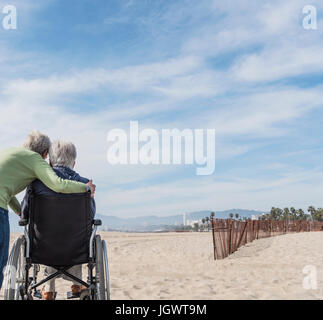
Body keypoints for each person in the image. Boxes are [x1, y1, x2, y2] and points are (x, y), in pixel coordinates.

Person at [0, 131, 96, 290]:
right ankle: (77, 284)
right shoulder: (36, 160)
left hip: (42, 249)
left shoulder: (10, 155)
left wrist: (20, 212)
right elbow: (58, 185)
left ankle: (48, 289)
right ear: (45, 154)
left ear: (51, 160)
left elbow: (6, 192)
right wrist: (85, 189)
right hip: (75, 248)